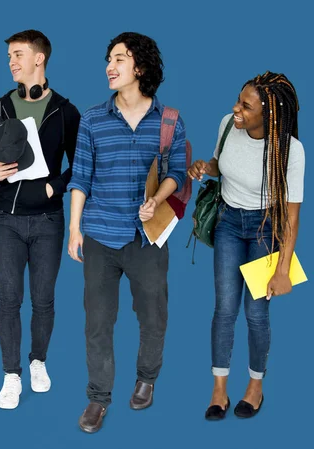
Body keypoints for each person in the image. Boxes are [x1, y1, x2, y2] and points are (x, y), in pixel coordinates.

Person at [68, 32, 187, 433]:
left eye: (119, 59)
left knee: (153, 316)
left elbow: (176, 174)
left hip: (147, 238)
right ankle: (98, 399)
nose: (109, 66)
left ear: (140, 68)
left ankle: (147, 378)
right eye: (108, 59)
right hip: (100, 234)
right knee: (98, 322)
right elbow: (81, 177)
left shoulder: (169, 120)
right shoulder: (92, 119)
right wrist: (74, 229)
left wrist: (159, 198)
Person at [0, 30, 80, 409]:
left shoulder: (65, 112)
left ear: (40, 59)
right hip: (6, 219)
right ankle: (11, 374)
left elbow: (81, 166)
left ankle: (38, 362)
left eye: (18, 54)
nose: (11, 62)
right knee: (8, 299)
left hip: (48, 220)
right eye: (9, 57)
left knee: (44, 299)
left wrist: (56, 187)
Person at [187, 71, 304, 420]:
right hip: (227, 223)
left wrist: (283, 270)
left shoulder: (289, 151)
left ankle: (255, 385)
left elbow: (292, 219)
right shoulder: (228, 124)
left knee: (255, 312)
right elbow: (221, 166)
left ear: (268, 116)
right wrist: (204, 167)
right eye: (239, 100)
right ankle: (219, 388)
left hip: (264, 229)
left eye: (245, 106)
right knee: (224, 308)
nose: (236, 108)